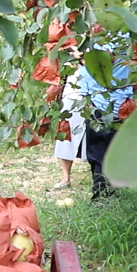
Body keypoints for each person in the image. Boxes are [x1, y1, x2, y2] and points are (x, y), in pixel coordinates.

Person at [76, 43, 133, 201]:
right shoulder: (128, 37)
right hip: (121, 107)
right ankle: (115, 195)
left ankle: (104, 198)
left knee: (100, 153)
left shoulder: (104, 41)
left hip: (106, 107)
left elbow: (101, 63)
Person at [53, 48, 88, 189]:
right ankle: (65, 178)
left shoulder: (98, 40)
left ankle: (100, 177)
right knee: (66, 137)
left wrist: (80, 56)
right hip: (72, 94)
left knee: (93, 137)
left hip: (95, 95)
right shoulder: (71, 40)